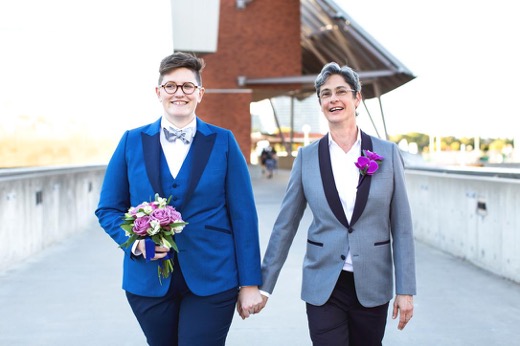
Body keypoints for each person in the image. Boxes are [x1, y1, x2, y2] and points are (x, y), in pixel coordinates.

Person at [95, 52, 263, 346]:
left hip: (214, 275)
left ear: (200, 93)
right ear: (158, 92)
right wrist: (135, 243)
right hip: (148, 280)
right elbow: (108, 208)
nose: (179, 93)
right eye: (171, 86)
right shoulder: (131, 141)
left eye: (187, 86)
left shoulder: (223, 141)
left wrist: (250, 283)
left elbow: (244, 215)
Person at [257, 62, 416, 345]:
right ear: (320, 103)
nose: (334, 99)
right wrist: (264, 286)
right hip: (324, 282)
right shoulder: (306, 158)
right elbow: (285, 225)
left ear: (357, 98)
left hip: (373, 283)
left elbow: (402, 227)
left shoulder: (387, 154)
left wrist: (406, 290)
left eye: (341, 91)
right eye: (326, 94)